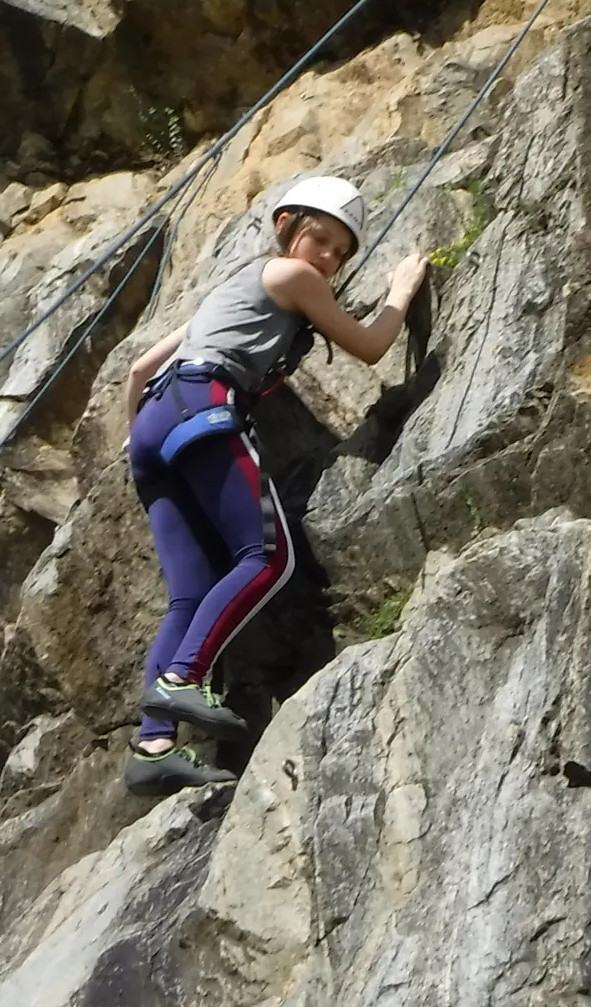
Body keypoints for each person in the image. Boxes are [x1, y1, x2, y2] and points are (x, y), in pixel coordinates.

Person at [119, 176, 430, 796]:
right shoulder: (291, 276)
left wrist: (141, 434)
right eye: (320, 239)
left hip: (154, 427)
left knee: (191, 594)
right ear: (288, 226)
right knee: (267, 556)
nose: (328, 259)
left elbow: (137, 369)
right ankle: (183, 680)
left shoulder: (225, 298)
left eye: (341, 252)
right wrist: (400, 292)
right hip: (202, 407)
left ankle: (152, 745)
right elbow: (370, 346)